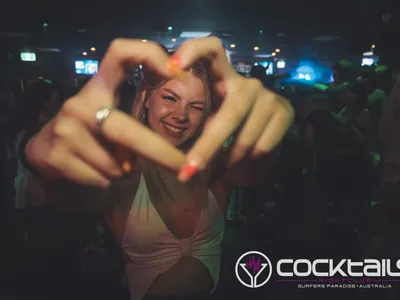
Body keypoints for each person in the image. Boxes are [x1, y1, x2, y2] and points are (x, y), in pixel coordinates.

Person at [19, 38, 293, 300]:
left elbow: (254, 169)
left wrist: (273, 121)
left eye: (195, 106)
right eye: (170, 98)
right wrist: (40, 156)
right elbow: (75, 200)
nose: (181, 115)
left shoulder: (212, 168)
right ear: (147, 97)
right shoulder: (123, 171)